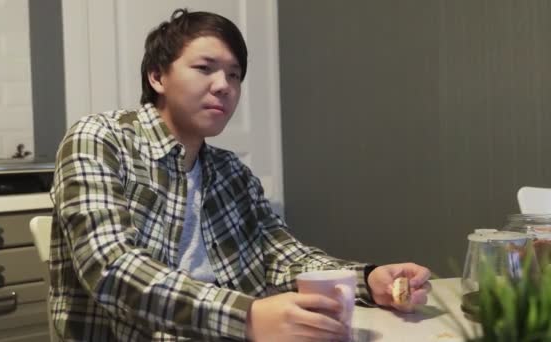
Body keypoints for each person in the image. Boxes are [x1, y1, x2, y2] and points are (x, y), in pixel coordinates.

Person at [49, 8, 431, 342]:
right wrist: (247, 316)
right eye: (204, 68)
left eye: (234, 75)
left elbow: (282, 256)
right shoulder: (101, 138)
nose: (224, 86)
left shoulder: (231, 172)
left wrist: (367, 279)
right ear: (157, 77)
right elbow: (111, 267)